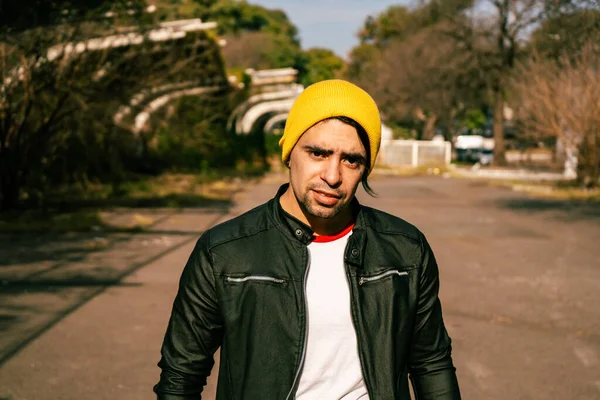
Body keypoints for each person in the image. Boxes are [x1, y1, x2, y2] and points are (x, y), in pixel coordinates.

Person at [154, 79, 461, 399]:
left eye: (351, 160)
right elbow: (181, 375)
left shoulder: (405, 251)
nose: (332, 176)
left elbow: (431, 364)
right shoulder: (225, 252)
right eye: (318, 153)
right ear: (289, 153)